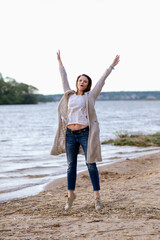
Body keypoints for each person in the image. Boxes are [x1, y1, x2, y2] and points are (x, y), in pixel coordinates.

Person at [51, 50, 120, 210]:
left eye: (85, 81)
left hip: (85, 134)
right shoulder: (69, 95)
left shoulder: (90, 96)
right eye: (80, 80)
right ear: (76, 83)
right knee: (70, 166)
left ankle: (97, 197)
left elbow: (102, 81)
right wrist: (60, 62)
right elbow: (63, 78)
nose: (82, 82)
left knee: (91, 164)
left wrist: (111, 66)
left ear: (88, 85)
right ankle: (70, 196)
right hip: (69, 134)